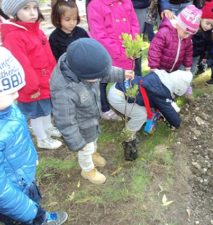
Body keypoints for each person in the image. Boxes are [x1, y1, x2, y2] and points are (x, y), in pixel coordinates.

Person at [50, 38, 134, 185]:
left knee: (93, 141)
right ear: (83, 74)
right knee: (85, 149)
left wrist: (122, 74)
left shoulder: (85, 67)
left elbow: (104, 72)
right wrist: (77, 142)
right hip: (80, 127)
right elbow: (65, 121)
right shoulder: (64, 90)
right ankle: (88, 170)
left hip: (91, 118)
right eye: (95, 78)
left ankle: (92, 152)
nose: (98, 79)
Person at [0, 47, 68, 225]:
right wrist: (29, 212)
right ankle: (40, 218)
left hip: (24, 176)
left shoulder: (9, 109)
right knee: (24, 218)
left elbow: (21, 136)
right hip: (13, 195)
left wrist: (32, 156)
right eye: (9, 91)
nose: (17, 94)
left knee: (33, 203)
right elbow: (2, 193)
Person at [1, 0, 62, 149]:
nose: (33, 12)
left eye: (35, 7)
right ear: (14, 13)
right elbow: (22, 64)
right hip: (32, 86)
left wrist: (55, 73)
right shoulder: (14, 36)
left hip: (45, 80)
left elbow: (48, 55)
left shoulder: (37, 30)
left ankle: (47, 126)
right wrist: (32, 88)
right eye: (26, 8)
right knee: (36, 113)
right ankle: (42, 138)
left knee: (46, 108)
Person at [108, 69, 193, 161]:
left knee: (146, 108)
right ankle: (128, 135)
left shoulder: (161, 78)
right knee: (142, 115)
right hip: (118, 97)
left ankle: (128, 117)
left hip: (118, 87)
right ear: (178, 88)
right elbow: (170, 114)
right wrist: (178, 123)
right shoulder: (161, 92)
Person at [86, 0, 140, 120]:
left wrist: (134, 46)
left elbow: (134, 23)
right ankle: (104, 108)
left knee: (127, 78)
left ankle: (126, 102)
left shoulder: (127, 1)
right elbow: (99, 35)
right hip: (109, 53)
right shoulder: (95, 5)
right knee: (103, 81)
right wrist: (121, 52)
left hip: (128, 50)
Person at [148, 5, 201, 72]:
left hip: (173, 70)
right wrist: (154, 67)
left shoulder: (186, 36)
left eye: (190, 34)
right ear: (179, 24)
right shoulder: (164, 32)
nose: (187, 36)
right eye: (186, 33)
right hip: (159, 69)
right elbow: (155, 50)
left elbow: (188, 52)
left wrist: (188, 67)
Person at [191, 0, 213, 81]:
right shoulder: (193, 29)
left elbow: (208, 47)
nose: (209, 27)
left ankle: (187, 85)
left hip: (196, 56)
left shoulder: (210, 34)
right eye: (207, 23)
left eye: (212, 25)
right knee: (183, 69)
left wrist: (205, 57)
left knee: (192, 70)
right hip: (187, 54)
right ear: (201, 18)